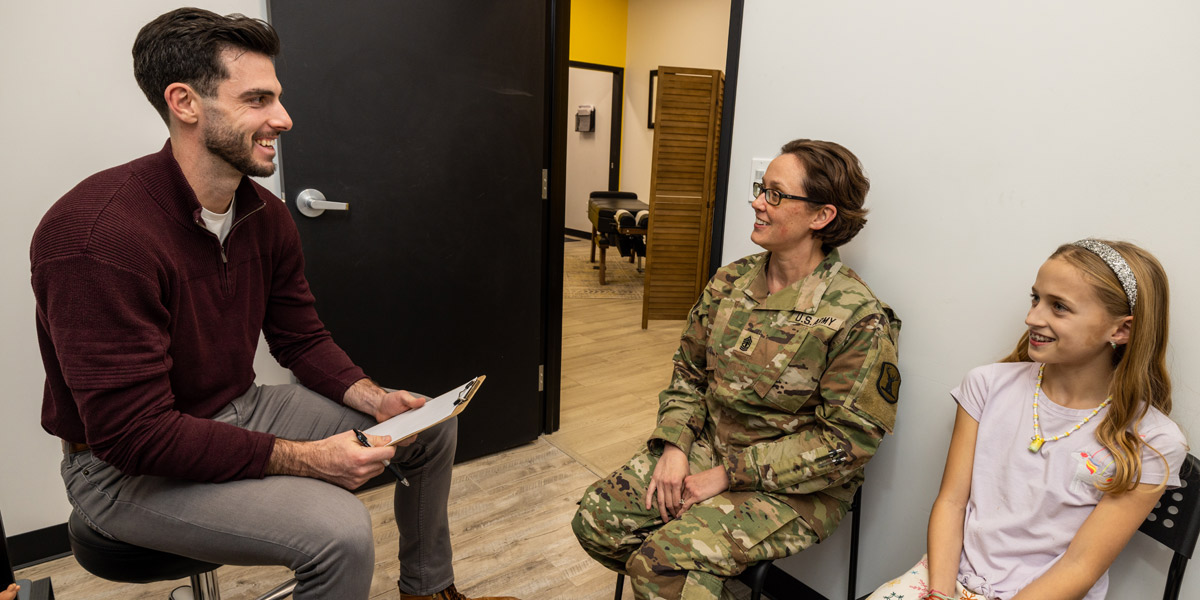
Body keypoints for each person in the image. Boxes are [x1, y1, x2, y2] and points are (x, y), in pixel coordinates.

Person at [30, 8, 517, 600]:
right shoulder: (96, 237)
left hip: (237, 407)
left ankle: (428, 592)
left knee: (426, 431)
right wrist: (310, 459)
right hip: (120, 468)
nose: (283, 119)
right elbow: (133, 435)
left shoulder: (265, 215)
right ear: (185, 103)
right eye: (258, 99)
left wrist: (373, 397)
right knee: (339, 534)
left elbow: (300, 337)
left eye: (278, 98)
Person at [572, 139, 902, 599]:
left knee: (660, 561)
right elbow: (688, 373)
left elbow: (846, 444)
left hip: (797, 488)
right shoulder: (730, 281)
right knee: (597, 519)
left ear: (821, 216)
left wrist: (728, 475)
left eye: (775, 194)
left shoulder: (856, 316)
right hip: (709, 446)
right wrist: (674, 446)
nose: (756, 202)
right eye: (760, 188)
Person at [867, 240, 1188, 600]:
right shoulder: (986, 386)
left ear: (1121, 331)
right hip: (948, 579)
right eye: (1035, 298)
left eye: (1060, 307)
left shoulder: (1154, 441)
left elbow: (1080, 566)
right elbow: (951, 503)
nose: (1032, 318)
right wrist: (940, 594)